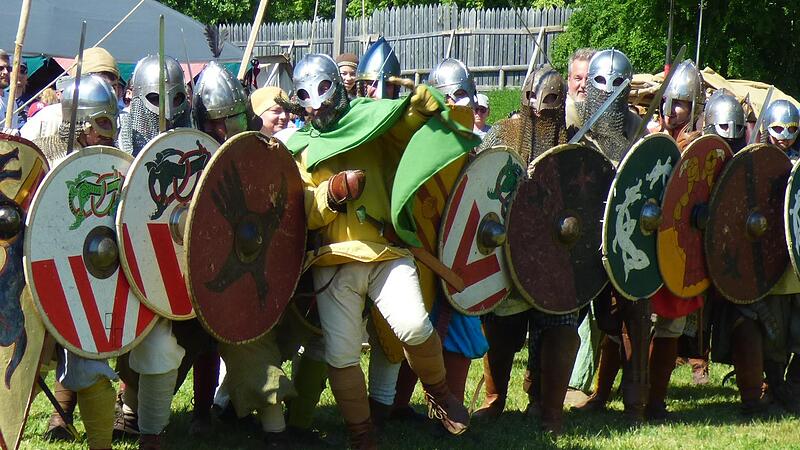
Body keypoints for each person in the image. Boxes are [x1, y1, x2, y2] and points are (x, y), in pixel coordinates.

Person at [277, 53, 476, 448]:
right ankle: (362, 435)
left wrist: (418, 110)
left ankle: (439, 395)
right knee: (342, 354)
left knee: (414, 326)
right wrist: (331, 194)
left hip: (386, 250)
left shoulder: (371, 120)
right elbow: (303, 212)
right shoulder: (300, 148)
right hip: (335, 259)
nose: (317, 104)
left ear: (338, 88)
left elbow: (402, 132)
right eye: (306, 96)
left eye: (323, 91)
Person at [472, 66, 578, 435]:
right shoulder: (503, 133)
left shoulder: (574, 144)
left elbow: (586, 197)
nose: (542, 105)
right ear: (525, 96)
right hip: (509, 251)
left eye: (551, 99)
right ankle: (495, 399)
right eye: (536, 96)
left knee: (561, 331)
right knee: (499, 331)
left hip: (555, 257)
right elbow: (480, 180)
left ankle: (548, 410)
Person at [34, 74, 121, 450]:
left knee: (89, 362)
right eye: (102, 122)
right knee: (22, 365)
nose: (111, 132)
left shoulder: (114, 166)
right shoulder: (43, 164)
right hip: (41, 280)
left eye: (112, 121)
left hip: (94, 279)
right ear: (80, 125)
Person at [569, 49, 650, 422]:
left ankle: (634, 401)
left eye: (617, 83)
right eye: (601, 82)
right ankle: (544, 398)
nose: (609, 89)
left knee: (631, 317)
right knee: (566, 316)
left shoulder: (637, 128)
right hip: (578, 236)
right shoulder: (574, 121)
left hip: (623, 236)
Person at [642, 59, 705, 420]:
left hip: (679, 247)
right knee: (638, 321)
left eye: (680, 103)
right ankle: (631, 396)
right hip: (647, 246)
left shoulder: (703, 148)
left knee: (671, 325)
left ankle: (655, 400)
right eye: (668, 101)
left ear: (695, 107)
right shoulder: (652, 139)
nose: (671, 110)